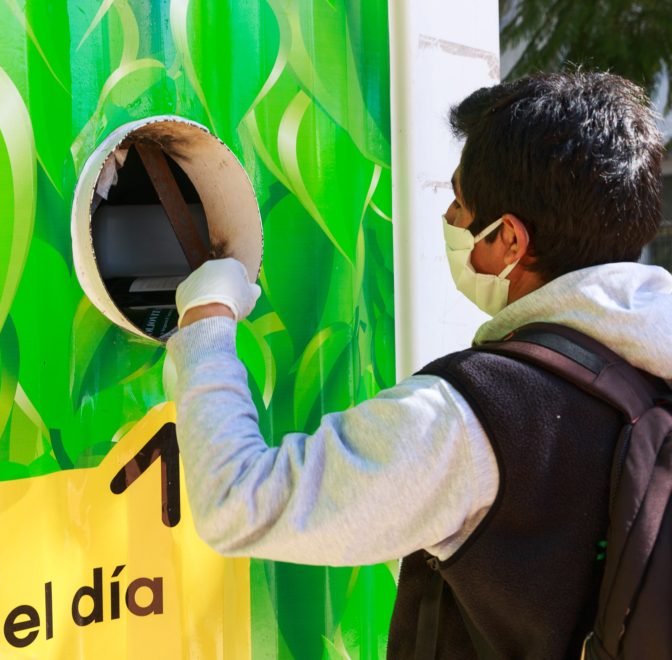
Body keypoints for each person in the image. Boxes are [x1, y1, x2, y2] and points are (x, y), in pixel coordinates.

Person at [165, 72, 672, 658]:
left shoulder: (473, 418)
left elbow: (237, 500)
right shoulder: (652, 361)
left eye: (460, 203)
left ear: (509, 240)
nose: (451, 220)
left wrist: (207, 318)